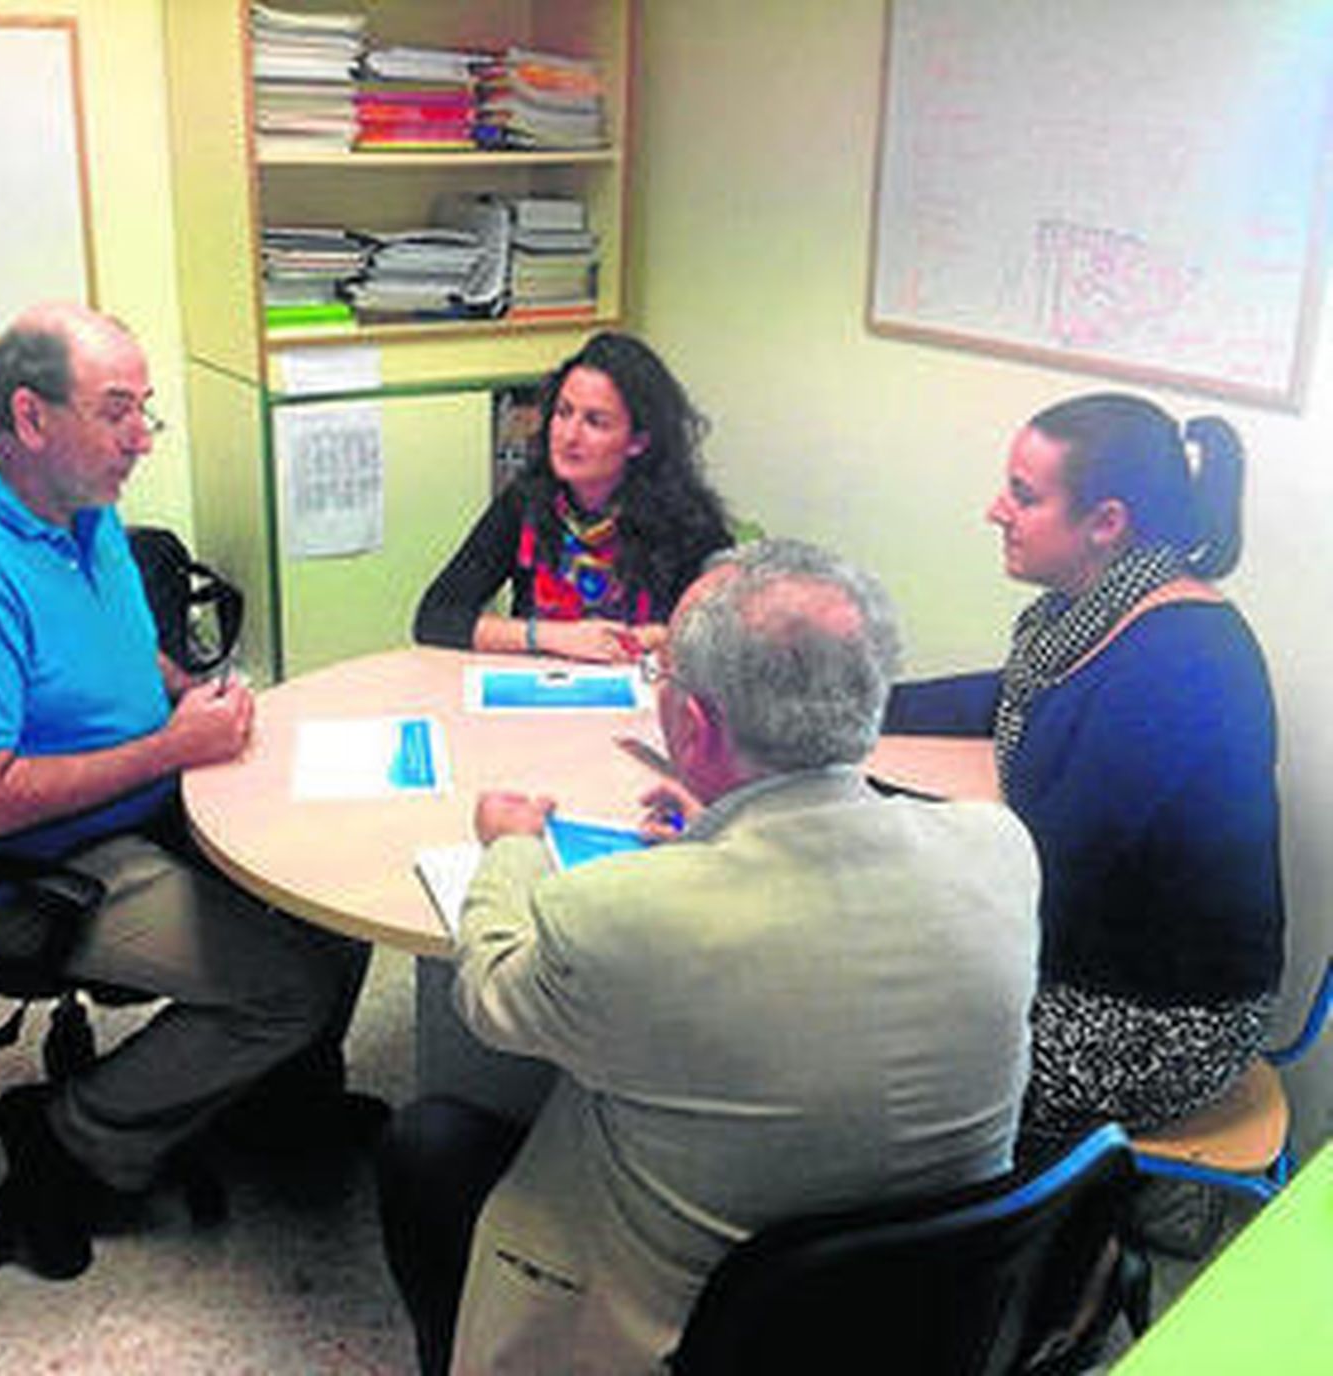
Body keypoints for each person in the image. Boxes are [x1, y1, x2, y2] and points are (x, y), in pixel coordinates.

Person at [378, 539, 1041, 1375]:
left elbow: (489, 992)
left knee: (429, 1143)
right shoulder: (1001, 848)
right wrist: (726, 817)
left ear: (690, 726)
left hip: (699, 1334)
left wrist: (511, 848)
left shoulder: (620, 911)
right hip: (931, 1316)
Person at [0, 302, 374, 1279]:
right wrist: (167, 748)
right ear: (30, 415)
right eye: (117, 412)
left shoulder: (78, 504)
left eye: (147, 411)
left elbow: (115, 650)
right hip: (15, 865)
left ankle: (272, 1105)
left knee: (333, 883)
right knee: (288, 985)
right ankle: (71, 1134)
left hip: (129, 806)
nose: (140, 438)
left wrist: (189, 696)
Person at [884, 392, 1285, 1148]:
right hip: (1094, 959)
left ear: (1107, 523)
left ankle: (1038, 1241)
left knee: (866, 1036)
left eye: (1024, 496)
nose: (994, 511)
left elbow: (1046, 868)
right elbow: (1006, 695)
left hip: (1159, 1023)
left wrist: (863, 814)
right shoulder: (1092, 611)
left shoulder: (1182, 663)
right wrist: (852, 705)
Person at [413, 332, 733, 663]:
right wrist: (552, 636)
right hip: (539, 695)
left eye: (595, 421)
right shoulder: (524, 502)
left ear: (638, 440)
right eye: (563, 413)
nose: (568, 436)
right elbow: (435, 619)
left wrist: (661, 636)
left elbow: (730, 635)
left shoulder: (687, 521)